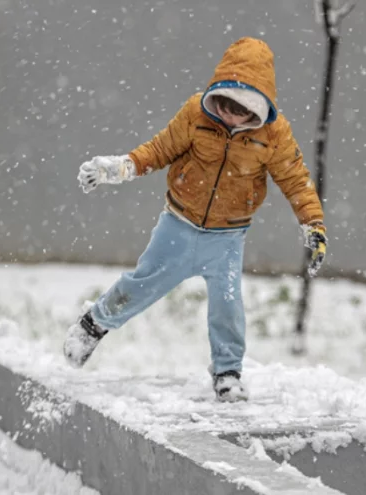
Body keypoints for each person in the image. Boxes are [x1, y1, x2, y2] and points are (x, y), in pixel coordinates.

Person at [63, 37, 327, 402]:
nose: (231, 115)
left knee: (228, 304)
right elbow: (159, 150)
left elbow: (295, 179)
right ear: (216, 93)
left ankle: (228, 372)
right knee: (142, 285)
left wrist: (312, 223)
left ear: (260, 105)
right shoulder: (195, 114)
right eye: (225, 103)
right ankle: (94, 324)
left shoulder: (274, 134)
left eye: (243, 108)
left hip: (228, 237)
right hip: (179, 225)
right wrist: (120, 168)